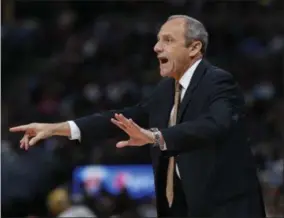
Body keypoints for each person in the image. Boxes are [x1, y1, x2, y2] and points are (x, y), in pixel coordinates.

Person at [10, 15, 266, 217]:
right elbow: (122, 118)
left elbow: (215, 125)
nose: (156, 47)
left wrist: (156, 136)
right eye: (157, 40)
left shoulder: (218, 81)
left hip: (225, 210)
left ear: (194, 47)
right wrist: (58, 128)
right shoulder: (166, 91)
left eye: (167, 40)